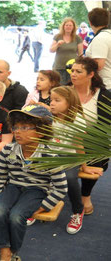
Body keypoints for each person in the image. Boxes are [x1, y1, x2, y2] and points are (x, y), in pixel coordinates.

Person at [0, 105, 67, 261]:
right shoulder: (8, 150)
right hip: (13, 187)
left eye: (25, 127)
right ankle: (4, 251)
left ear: (42, 131)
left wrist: (44, 206)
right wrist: (0, 196)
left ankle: (13, 251)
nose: (17, 131)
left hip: (36, 190)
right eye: (16, 127)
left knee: (17, 216)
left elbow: (61, 187)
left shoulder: (50, 155)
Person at [48, 86, 102, 234]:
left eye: (57, 100)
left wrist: (84, 167)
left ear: (69, 103)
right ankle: (39, 205)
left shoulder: (76, 120)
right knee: (34, 173)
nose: (52, 103)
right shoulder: (48, 117)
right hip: (50, 156)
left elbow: (78, 145)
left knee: (70, 178)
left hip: (70, 157)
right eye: (51, 100)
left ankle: (78, 211)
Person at [70, 57, 110, 215]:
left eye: (78, 71)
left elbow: (106, 126)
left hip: (92, 139)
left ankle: (85, 195)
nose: (73, 74)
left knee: (98, 154)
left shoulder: (104, 95)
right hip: (66, 139)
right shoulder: (65, 91)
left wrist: (86, 134)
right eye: (72, 70)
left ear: (91, 74)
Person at [50, 17, 83, 85]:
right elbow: (51, 50)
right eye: (67, 25)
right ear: (63, 26)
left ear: (73, 27)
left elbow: (80, 54)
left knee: (71, 87)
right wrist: (57, 45)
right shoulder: (58, 36)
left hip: (72, 68)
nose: (68, 27)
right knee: (59, 87)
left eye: (70, 25)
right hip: (59, 66)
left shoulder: (77, 38)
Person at [85, 8, 111, 90]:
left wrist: (83, 64)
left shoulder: (100, 38)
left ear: (90, 22)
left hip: (105, 83)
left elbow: (99, 65)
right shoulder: (108, 35)